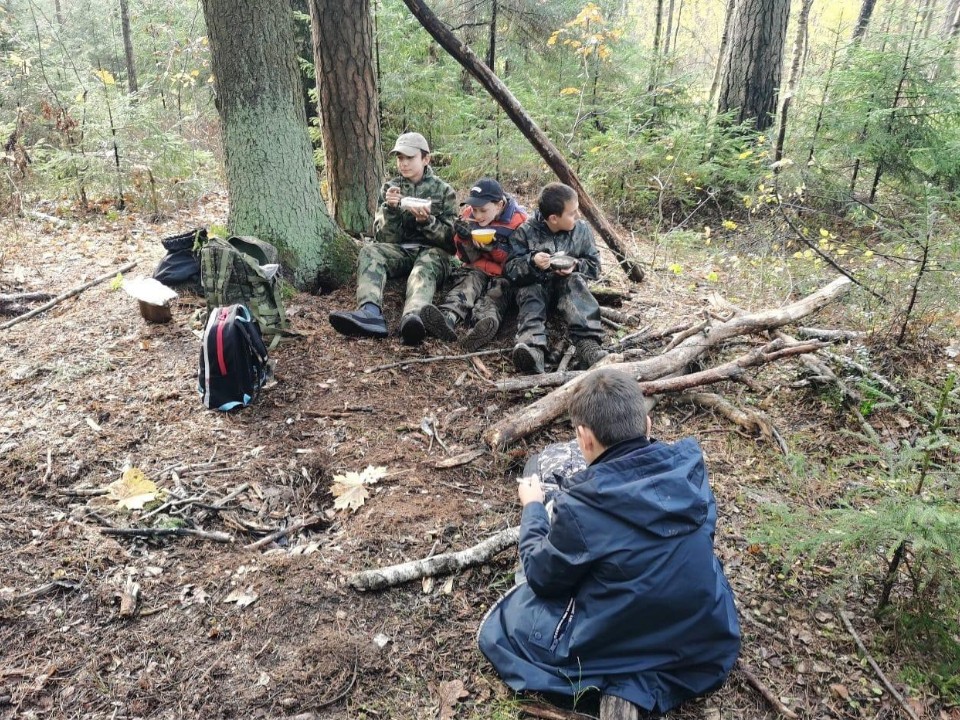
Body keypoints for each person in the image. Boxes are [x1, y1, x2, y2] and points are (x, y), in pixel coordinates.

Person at [478, 368, 741, 715]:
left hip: (620, 630)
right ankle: (641, 682)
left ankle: (615, 681)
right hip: (702, 636)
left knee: (502, 629)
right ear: (647, 424)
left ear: (584, 438)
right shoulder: (690, 470)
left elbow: (542, 576)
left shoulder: (581, 508)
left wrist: (533, 510)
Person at [328, 132, 457, 345]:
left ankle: (413, 319)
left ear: (426, 159)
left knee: (426, 265)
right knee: (370, 251)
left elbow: (452, 242)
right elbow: (383, 238)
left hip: (433, 253)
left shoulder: (444, 191)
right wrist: (391, 209)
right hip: (401, 251)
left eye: (410, 158)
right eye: (400, 158)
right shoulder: (390, 189)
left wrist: (427, 222)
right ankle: (370, 313)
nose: (404, 163)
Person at [503, 182, 606, 374]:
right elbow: (510, 270)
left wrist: (576, 265)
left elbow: (595, 266)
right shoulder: (525, 231)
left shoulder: (581, 230)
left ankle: (588, 346)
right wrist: (532, 262)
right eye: (572, 213)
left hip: (567, 291)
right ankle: (533, 350)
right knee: (529, 290)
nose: (578, 216)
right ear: (553, 218)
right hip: (537, 288)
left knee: (573, 281)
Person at [419, 178, 527, 350]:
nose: (477, 215)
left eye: (483, 210)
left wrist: (495, 247)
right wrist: (462, 238)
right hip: (475, 267)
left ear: (499, 205)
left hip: (503, 273)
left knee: (496, 295)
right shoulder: (469, 215)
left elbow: (518, 261)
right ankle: (448, 317)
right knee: (466, 285)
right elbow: (463, 257)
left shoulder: (519, 221)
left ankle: (481, 328)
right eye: (474, 209)